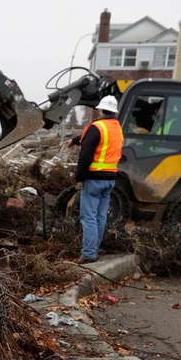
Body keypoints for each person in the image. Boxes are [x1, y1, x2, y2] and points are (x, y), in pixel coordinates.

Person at [73, 94, 123, 263]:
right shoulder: (116, 127)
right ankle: (95, 249)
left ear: (100, 110)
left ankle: (88, 254)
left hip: (93, 179)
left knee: (88, 217)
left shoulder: (96, 127)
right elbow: (97, 141)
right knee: (100, 217)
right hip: (110, 179)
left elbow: (85, 154)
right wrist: (73, 140)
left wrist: (79, 177)